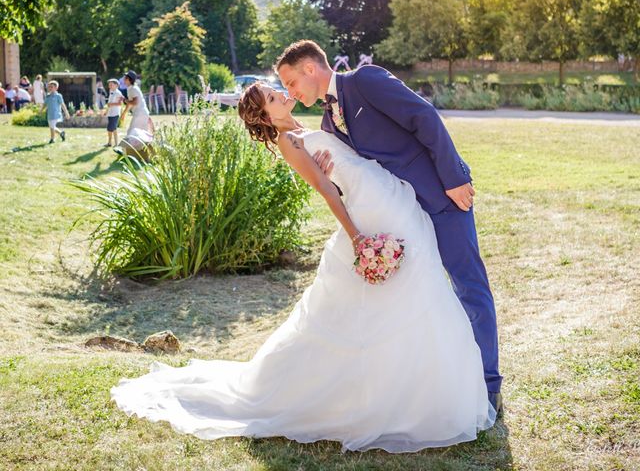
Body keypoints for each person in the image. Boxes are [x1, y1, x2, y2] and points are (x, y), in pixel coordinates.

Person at [110, 81, 495, 452]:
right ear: (265, 115)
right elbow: (327, 192)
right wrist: (358, 238)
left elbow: (345, 169)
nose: (281, 93)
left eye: (277, 89)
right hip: (370, 220)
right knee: (391, 303)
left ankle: (418, 391)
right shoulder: (289, 141)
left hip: (391, 204)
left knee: (412, 298)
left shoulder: (312, 128)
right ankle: (386, 399)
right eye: (273, 96)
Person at [275, 40, 503, 413]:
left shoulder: (364, 80)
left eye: (291, 82)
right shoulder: (328, 122)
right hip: (402, 217)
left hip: (442, 197)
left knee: (469, 286)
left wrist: (454, 177)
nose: (290, 92)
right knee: (429, 297)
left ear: (310, 69)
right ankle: (448, 377)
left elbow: (424, 117)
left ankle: (488, 382)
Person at [119, 70, 154, 135]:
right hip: (141, 113)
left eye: (125, 77)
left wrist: (125, 100)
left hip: (140, 114)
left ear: (129, 79)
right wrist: (124, 113)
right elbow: (130, 104)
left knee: (131, 133)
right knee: (143, 135)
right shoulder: (130, 88)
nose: (124, 79)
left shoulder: (133, 89)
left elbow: (135, 102)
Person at [104, 78, 123, 147]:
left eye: (111, 85)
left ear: (116, 85)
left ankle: (113, 143)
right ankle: (113, 143)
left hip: (115, 113)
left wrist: (111, 104)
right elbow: (109, 102)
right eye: (109, 85)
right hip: (110, 113)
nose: (109, 86)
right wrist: (106, 111)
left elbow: (120, 103)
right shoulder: (111, 92)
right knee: (113, 129)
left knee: (110, 128)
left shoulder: (118, 93)